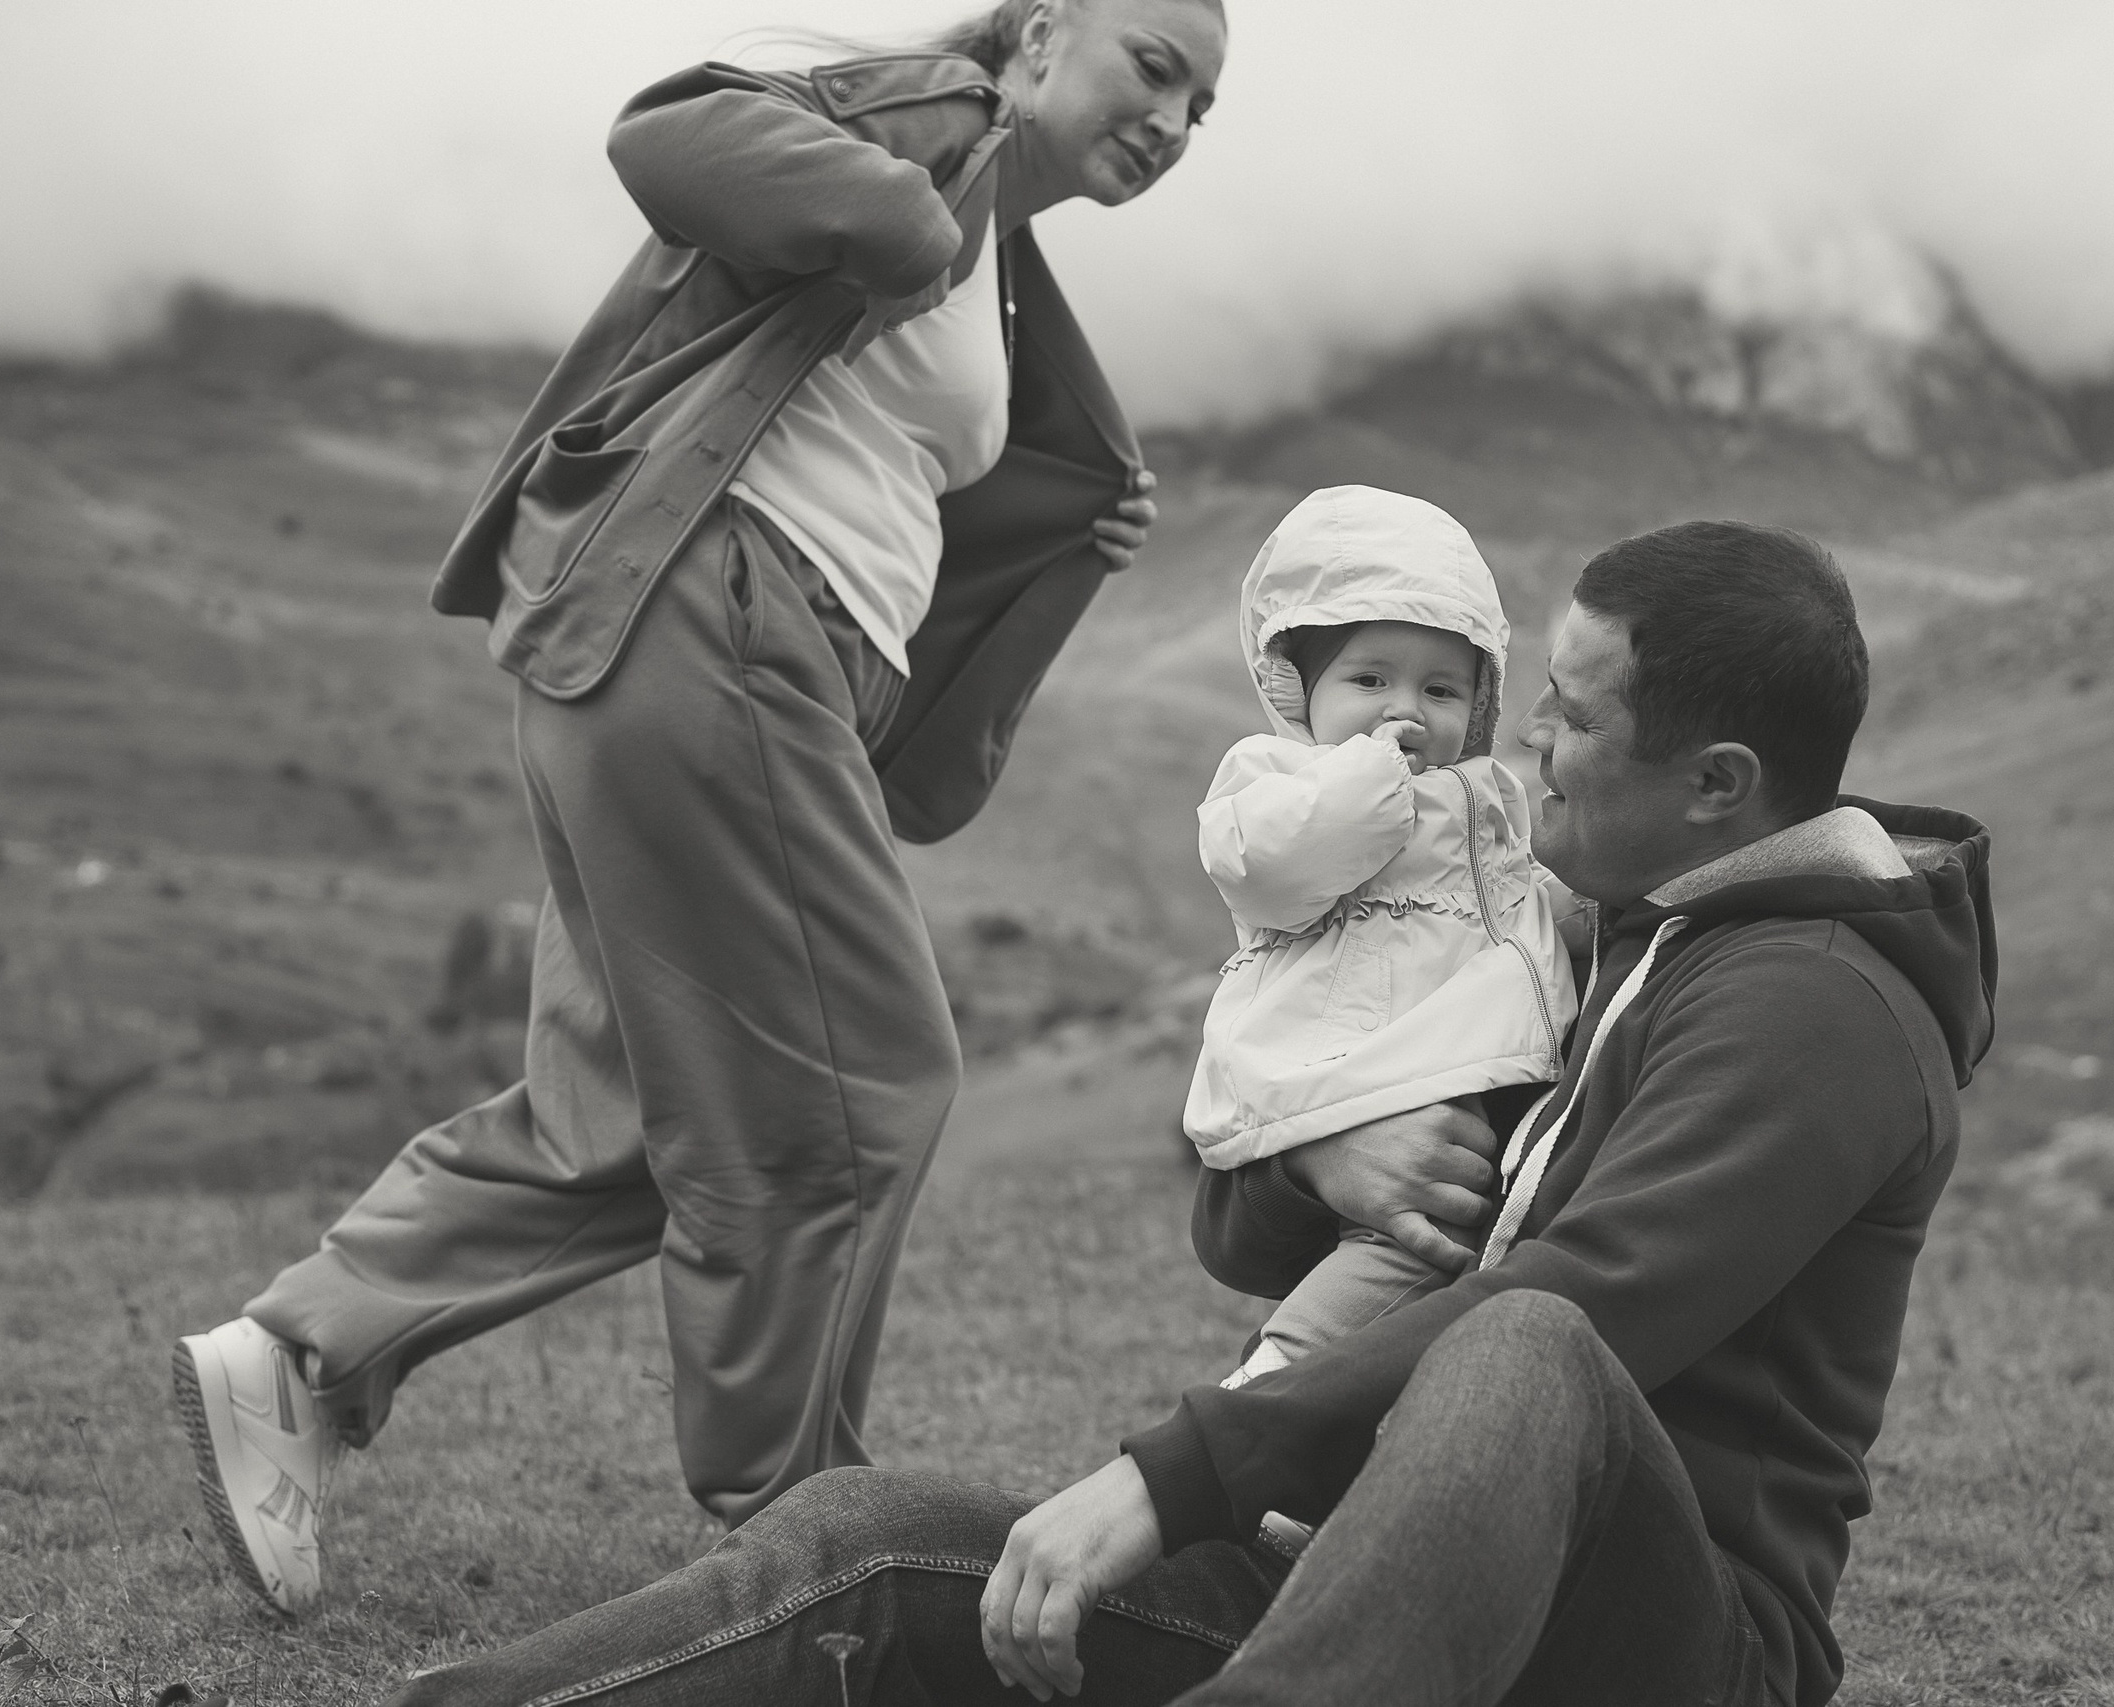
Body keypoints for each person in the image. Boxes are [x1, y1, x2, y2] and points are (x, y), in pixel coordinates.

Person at [379, 519, 1998, 1707]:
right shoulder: (1630, 932)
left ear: (1718, 783)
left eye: (1572, 716)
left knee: (1528, 1346)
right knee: (877, 1534)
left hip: (1669, 1646)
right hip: (1394, 1571)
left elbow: (1586, 1311)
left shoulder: (1818, 1007)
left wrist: (1169, 1479)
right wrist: (1321, 1154)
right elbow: (1237, 1231)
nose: (1529, 749)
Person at [170, 0, 1231, 1616]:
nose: (1174, 117)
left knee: (623, 1116)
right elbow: (669, 130)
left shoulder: (1005, 262)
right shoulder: (934, 125)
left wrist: (1076, 511)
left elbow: (905, 449)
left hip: (711, 655)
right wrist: (892, 213)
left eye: (1202, 107)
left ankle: (299, 1349)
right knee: (871, 1079)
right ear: (1037, 37)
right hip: (722, 613)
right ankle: (800, 1544)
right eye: (1155, 64)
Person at [1185, 486, 1578, 1390]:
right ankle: (1276, 1386)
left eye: (1442, 688)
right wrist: (1372, 771)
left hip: (1447, 1063)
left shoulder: (1478, 790)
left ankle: (1323, 1421)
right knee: (1408, 1238)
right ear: (1296, 684)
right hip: (1350, 1071)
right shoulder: (1279, 775)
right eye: (1370, 680)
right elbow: (1265, 865)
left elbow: (1503, 907)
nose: (1406, 709)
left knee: (1440, 1249)